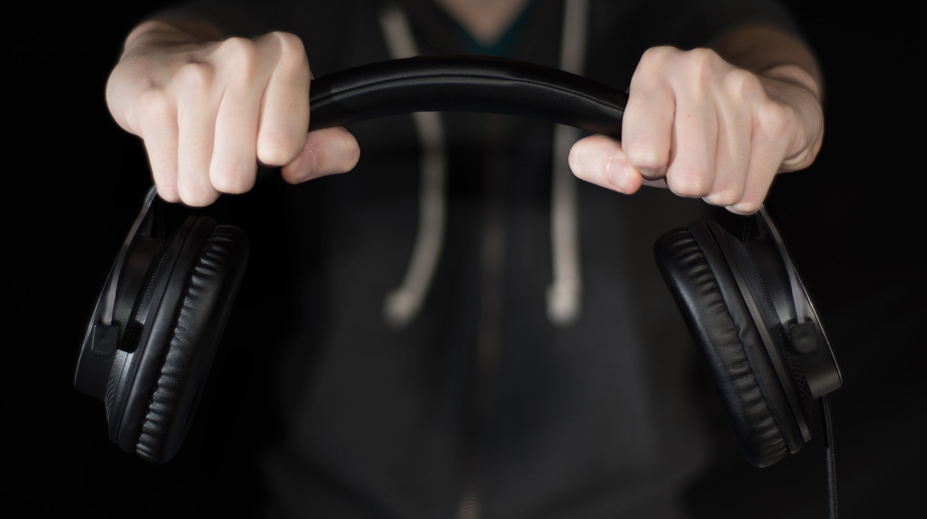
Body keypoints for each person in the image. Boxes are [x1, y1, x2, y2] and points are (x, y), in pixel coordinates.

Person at [104, 0, 824, 517]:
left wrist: (777, 100)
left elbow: (766, 57)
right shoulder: (315, 12)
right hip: (328, 495)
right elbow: (180, 37)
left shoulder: (664, 13)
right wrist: (158, 60)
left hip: (627, 500)